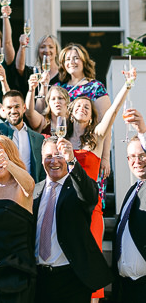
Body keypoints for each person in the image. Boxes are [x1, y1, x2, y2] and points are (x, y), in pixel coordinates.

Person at [67, 67, 135, 299]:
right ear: (71, 112)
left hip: (91, 208)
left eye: (87, 106)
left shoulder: (95, 137)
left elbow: (113, 113)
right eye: (78, 106)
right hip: (67, 207)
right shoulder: (62, 139)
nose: (83, 108)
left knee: (93, 259)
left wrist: (127, 86)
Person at [33, 137, 111, 303]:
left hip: (71, 278)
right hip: (39, 279)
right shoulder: (35, 191)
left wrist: (72, 161)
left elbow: (90, 195)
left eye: (59, 155)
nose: (54, 161)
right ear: (41, 160)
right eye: (48, 156)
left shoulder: (77, 187)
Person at [0, 135, 36, 303]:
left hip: (17, 269)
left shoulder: (20, 187)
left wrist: (8, 164)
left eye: (2, 154)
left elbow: (30, 184)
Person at [0, 77, 45, 182]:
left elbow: (41, 171)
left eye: (17, 107)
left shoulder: (38, 138)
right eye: (9, 108)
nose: (13, 111)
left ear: (24, 108)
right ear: (3, 110)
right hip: (4, 189)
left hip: (29, 191)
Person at [57, 43, 112, 178]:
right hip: (65, 149)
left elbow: (105, 123)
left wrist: (105, 157)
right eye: (67, 59)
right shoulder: (59, 88)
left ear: (84, 61)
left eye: (76, 58)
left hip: (90, 149)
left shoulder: (95, 87)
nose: (71, 62)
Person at [113, 116, 146, 303]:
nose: (137, 161)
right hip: (126, 289)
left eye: (142, 155)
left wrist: (142, 131)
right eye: (132, 157)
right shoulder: (132, 191)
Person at [14, 34, 61, 100]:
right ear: (38, 51)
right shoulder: (34, 72)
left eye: (51, 47)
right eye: (42, 47)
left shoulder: (63, 73)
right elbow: (19, 67)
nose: (47, 50)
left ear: (56, 51)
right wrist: (22, 46)